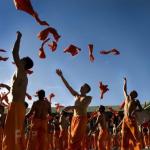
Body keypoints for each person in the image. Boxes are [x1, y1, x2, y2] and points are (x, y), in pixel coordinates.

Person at [2, 31, 34, 150]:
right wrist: (6, 87)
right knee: (16, 136)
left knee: (11, 137)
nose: (19, 60)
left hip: (16, 107)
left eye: (22, 60)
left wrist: (19, 37)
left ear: (24, 63)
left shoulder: (21, 70)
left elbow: (14, 52)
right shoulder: (22, 74)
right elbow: (15, 89)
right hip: (18, 107)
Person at [56, 69, 92, 150]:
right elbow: (68, 87)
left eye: (83, 86)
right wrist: (61, 76)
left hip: (81, 119)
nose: (81, 87)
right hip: (74, 119)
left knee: (75, 139)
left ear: (86, 90)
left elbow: (83, 107)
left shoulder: (88, 98)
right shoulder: (77, 96)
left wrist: (72, 107)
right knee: (72, 139)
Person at [121, 77, 143, 150]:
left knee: (135, 136)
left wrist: (136, 110)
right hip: (125, 119)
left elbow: (141, 109)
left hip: (131, 119)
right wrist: (125, 81)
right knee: (124, 136)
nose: (131, 91)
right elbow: (124, 90)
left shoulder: (135, 101)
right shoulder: (127, 98)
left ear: (134, 95)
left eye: (133, 92)